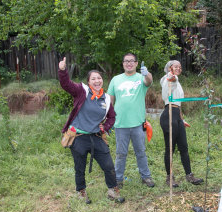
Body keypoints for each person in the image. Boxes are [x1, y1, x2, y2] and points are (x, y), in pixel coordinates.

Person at [58, 57, 124, 204]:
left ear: (102, 80)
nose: (97, 81)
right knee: (79, 167)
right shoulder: (82, 91)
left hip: (96, 136)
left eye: (99, 78)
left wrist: (105, 127)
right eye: (93, 78)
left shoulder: (106, 99)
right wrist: (63, 71)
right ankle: (81, 192)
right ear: (89, 82)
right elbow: (66, 85)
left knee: (108, 165)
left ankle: (112, 190)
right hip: (79, 136)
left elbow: (112, 117)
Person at [107, 53, 155, 188]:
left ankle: (146, 177)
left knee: (141, 152)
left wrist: (147, 74)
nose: (129, 63)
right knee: (121, 154)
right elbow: (110, 100)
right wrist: (108, 119)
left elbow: (149, 81)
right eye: (126, 61)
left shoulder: (141, 78)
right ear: (123, 63)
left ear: (136, 63)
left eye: (132, 61)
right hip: (120, 123)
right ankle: (118, 179)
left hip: (138, 124)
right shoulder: (115, 80)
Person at [159, 60, 204, 187]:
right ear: (169, 68)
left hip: (176, 115)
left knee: (184, 147)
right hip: (168, 115)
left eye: (180, 66)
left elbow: (178, 104)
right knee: (170, 148)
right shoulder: (167, 78)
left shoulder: (178, 82)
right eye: (175, 66)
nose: (178, 68)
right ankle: (169, 178)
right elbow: (168, 88)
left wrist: (182, 119)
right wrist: (171, 78)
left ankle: (189, 176)